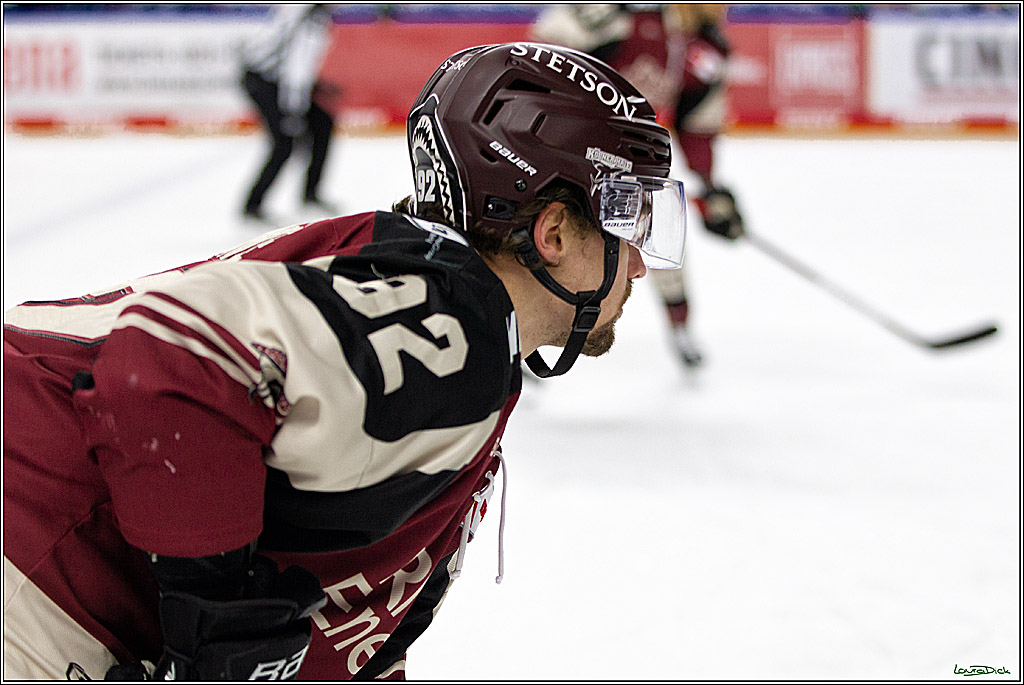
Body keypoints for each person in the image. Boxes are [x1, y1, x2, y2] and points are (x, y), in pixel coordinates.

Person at [3, 42, 686, 680]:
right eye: (626, 220)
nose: (638, 263)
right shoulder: (453, 324)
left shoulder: (434, 312)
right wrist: (216, 617)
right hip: (33, 552)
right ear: (554, 232)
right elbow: (170, 358)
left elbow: (357, 630)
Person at [532, 4, 745, 368]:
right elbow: (542, 59)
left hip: (635, 164)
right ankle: (520, 331)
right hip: (567, 157)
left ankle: (681, 328)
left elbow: (696, 123)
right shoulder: (617, 17)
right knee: (551, 244)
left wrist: (710, 187)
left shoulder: (703, 47)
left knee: (662, 243)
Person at [241, 4, 339, 223]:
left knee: (323, 124)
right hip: (264, 80)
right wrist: (293, 113)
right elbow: (296, 70)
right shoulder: (311, 19)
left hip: (275, 79)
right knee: (283, 143)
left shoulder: (309, 13)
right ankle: (252, 204)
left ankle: (310, 193)